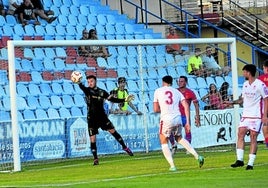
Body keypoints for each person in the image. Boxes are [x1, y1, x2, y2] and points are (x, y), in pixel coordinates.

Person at [77, 75, 135, 165]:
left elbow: (113, 99)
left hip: (102, 117)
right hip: (92, 118)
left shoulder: (102, 92)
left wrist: (124, 99)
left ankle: (124, 147)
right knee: (93, 139)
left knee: (113, 131)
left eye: (91, 81)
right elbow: (82, 87)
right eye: (88, 82)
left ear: (95, 81)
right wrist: (78, 82)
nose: (90, 83)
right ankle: (95, 159)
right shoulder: (87, 91)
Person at [153, 75, 204, 171]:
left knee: (163, 141)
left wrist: (164, 109)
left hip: (166, 118)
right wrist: (188, 122)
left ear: (163, 82)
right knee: (179, 138)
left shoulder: (158, 91)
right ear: (172, 82)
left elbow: (155, 109)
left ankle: (172, 166)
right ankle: (197, 156)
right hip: (178, 118)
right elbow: (186, 106)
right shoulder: (177, 92)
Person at [226, 64, 268, 170]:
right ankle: (239, 160)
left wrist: (265, 115)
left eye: (244, 72)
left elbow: (266, 100)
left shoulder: (260, 85)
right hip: (246, 115)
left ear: (248, 72)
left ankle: (250, 163)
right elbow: (242, 99)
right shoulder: (245, 84)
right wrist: (231, 102)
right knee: (240, 133)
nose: (243, 73)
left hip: (256, 116)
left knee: (253, 137)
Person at [169, 76, 201, 154]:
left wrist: (197, 117)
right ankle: (173, 145)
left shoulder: (190, 92)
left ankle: (188, 148)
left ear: (186, 82)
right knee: (169, 131)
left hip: (185, 116)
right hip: (175, 115)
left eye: (182, 81)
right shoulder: (175, 91)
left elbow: (196, 105)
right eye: (179, 81)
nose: (180, 83)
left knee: (187, 130)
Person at [258, 59, 268, 148]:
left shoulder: (260, 79)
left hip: (265, 105)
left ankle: (267, 142)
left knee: (265, 123)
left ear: (265, 68)